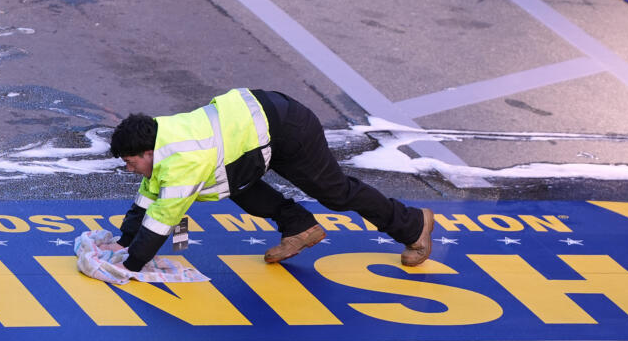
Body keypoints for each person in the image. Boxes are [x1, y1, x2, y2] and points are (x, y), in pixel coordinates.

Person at [109, 88, 434, 271]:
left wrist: (132, 264)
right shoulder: (163, 138)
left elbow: (165, 217)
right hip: (257, 127)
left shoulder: (183, 159)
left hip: (288, 127)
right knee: (231, 181)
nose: (130, 169)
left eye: (130, 161)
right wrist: (122, 242)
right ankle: (299, 227)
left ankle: (412, 224)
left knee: (336, 193)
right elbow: (149, 197)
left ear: (147, 151)